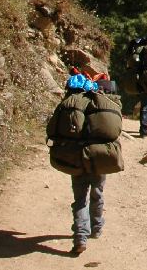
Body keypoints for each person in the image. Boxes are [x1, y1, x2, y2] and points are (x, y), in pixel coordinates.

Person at [47, 70, 123, 255]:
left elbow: (52, 130)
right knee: (97, 193)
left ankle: (80, 237)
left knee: (80, 199)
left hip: (75, 157)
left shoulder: (70, 104)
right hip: (98, 157)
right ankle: (96, 227)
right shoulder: (103, 103)